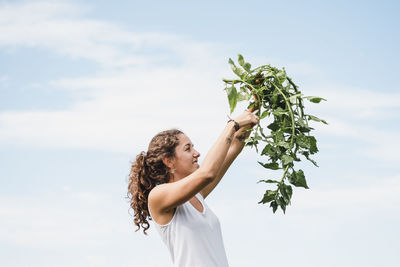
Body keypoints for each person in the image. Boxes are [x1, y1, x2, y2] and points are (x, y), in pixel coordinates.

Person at [127, 109, 259, 267]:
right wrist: (232, 124)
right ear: (169, 161)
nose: (197, 153)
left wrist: (257, 103)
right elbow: (207, 173)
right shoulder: (158, 196)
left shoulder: (198, 195)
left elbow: (234, 145)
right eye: (188, 149)